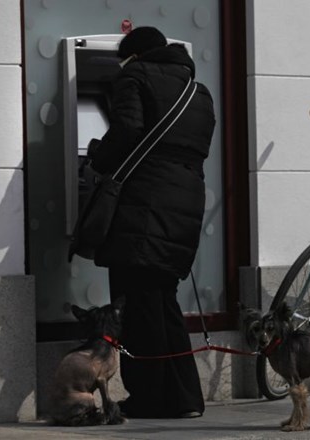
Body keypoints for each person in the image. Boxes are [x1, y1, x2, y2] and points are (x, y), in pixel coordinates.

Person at [90, 26, 215, 419]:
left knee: (139, 307)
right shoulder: (199, 91)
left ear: (135, 56)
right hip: (186, 203)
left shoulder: (134, 77)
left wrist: (96, 155)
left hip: (143, 206)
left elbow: (127, 130)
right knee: (163, 301)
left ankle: (148, 398)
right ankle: (186, 399)